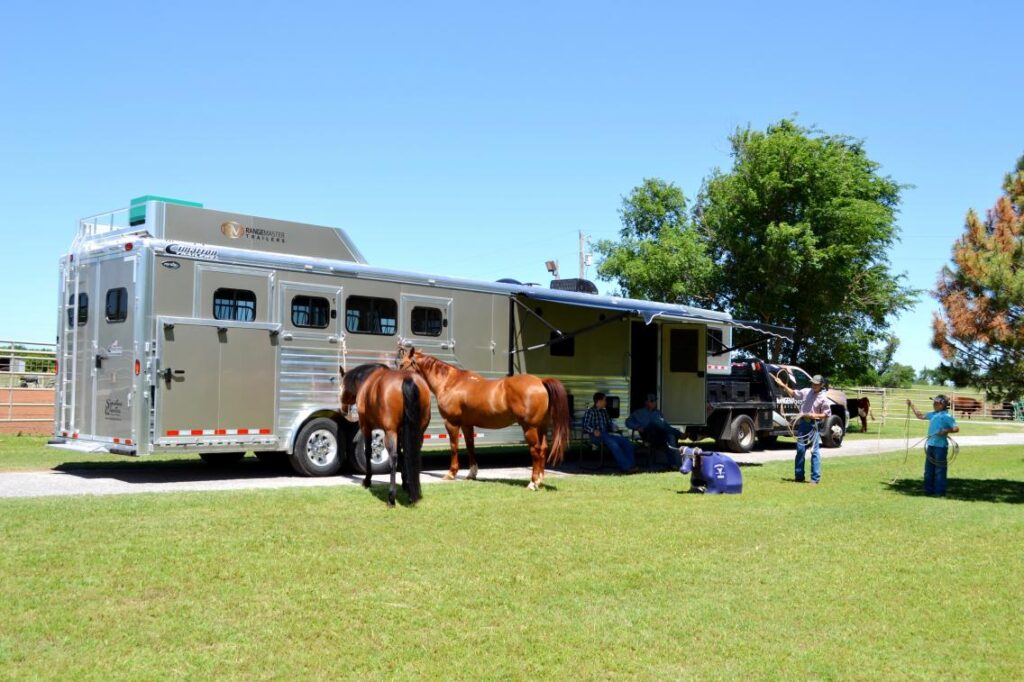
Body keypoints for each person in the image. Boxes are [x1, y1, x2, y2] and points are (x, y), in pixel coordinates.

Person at [771, 371, 831, 484]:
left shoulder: (823, 398)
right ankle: (799, 477)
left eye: (816, 384)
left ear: (822, 385)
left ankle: (815, 478)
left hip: (814, 425)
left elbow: (827, 414)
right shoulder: (806, 392)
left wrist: (815, 415)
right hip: (803, 424)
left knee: (814, 451)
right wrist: (783, 385)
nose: (814, 385)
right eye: (813, 383)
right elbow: (793, 393)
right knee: (800, 450)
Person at [907, 395, 959, 497]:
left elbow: (956, 428)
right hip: (930, 445)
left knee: (940, 470)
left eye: (935, 403)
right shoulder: (933, 414)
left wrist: (945, 430)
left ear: (942, 405)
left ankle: (939, 492)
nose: (933, 404)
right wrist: (912, 405)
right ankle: (928, 491)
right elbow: (920, 416)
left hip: (940, 447)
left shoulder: (947, 417)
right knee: (928, 470)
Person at [581, 392, 638, 474]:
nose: (606, 402)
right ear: (599, 401)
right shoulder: (590, 412)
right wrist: (593, 430)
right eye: (605, 400)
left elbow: (609, 423)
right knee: (613, 443)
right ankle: (626, 467)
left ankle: (631, 465)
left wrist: (613, 426)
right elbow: (585, 426)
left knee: (626, 442)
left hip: (606, 435)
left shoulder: (604, 412)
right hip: (596, 436)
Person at [626, 393, 684, 469]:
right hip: (647, 435)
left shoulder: (658, 413)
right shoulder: (638, 413)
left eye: (655, 401)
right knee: (654, 422)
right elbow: (627, 422)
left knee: (670, 435)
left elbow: (664, 426)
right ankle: (680, 434)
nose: (654, 403)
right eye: (652, 401)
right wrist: (637, 427)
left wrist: (665, 427)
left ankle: (673, 464)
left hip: (659, 436)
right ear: (646, 402)